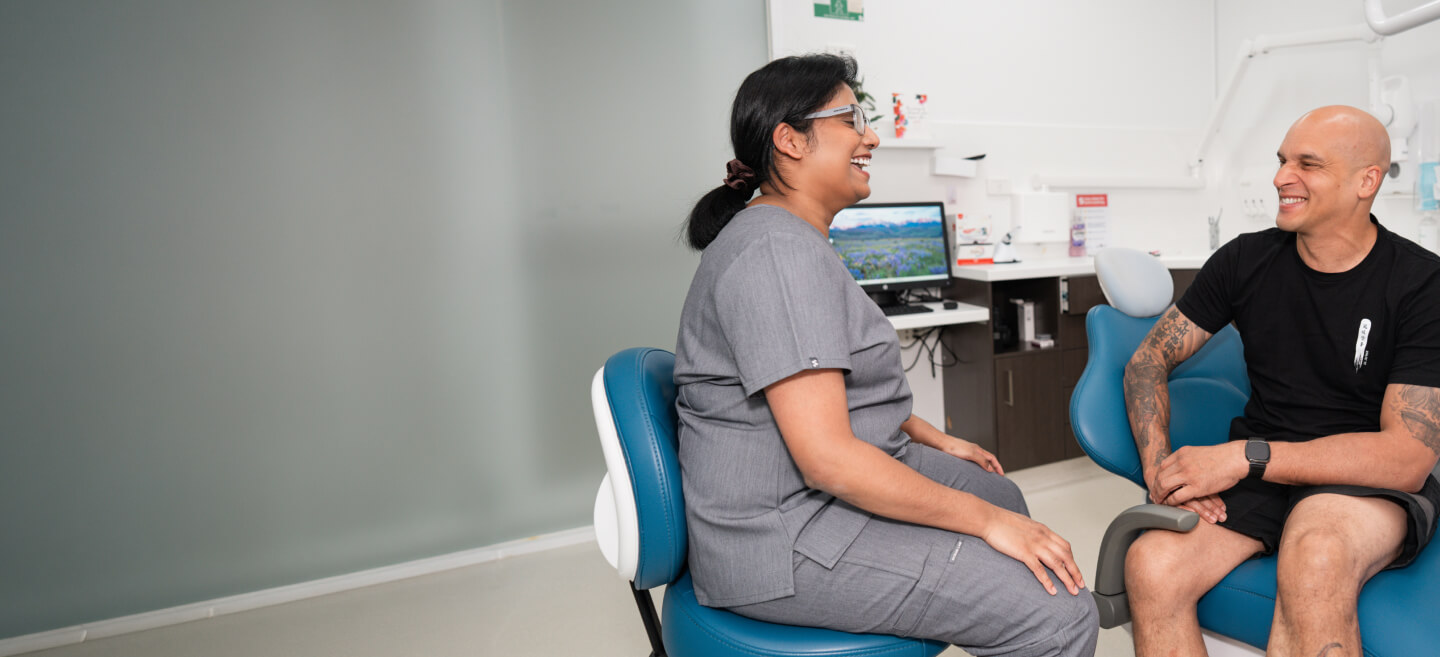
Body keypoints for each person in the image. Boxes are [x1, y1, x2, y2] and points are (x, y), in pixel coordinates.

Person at [672, 53, 1098, 657]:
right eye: (851, 119)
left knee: (996, 491)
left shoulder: (793, 241)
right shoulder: (777, 256)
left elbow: (838, 389)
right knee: (1058, 613)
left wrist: (935, 437)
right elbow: (827, 459)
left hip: (812, 491)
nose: (871, 136)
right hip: (782, 537)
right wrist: (985, 525)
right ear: (790, 141)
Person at [1123, 105, 1440, 657]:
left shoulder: (1420, 283)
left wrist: (1245, 456)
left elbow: (1406, 459)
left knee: (1315, 554)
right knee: (1151, 564)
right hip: (1262, 472)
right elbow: (1147, 361)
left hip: (1360, 480)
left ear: (1367, 181)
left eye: (1307, 164)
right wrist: (1159, 470)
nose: (1280, 178)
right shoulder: (1245, 260)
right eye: (1281, 160)